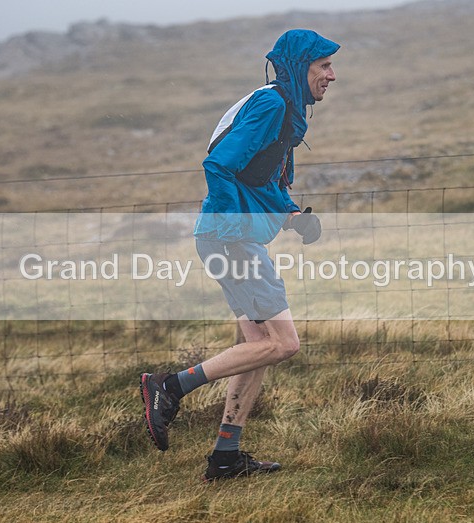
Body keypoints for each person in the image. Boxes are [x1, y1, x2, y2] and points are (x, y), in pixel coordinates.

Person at [140, 29, 339, 482]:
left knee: (257, 348)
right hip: (229, 238)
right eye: (323, 66)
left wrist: (291, 216)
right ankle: (169, 386)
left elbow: (257, 176)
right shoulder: (272, 105)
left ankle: (225, 457)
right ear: (298, 67)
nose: (332, 75)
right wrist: (232, 225)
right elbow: (219, 163)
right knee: (283, 344)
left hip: (228, 236)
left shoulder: (281, 107)